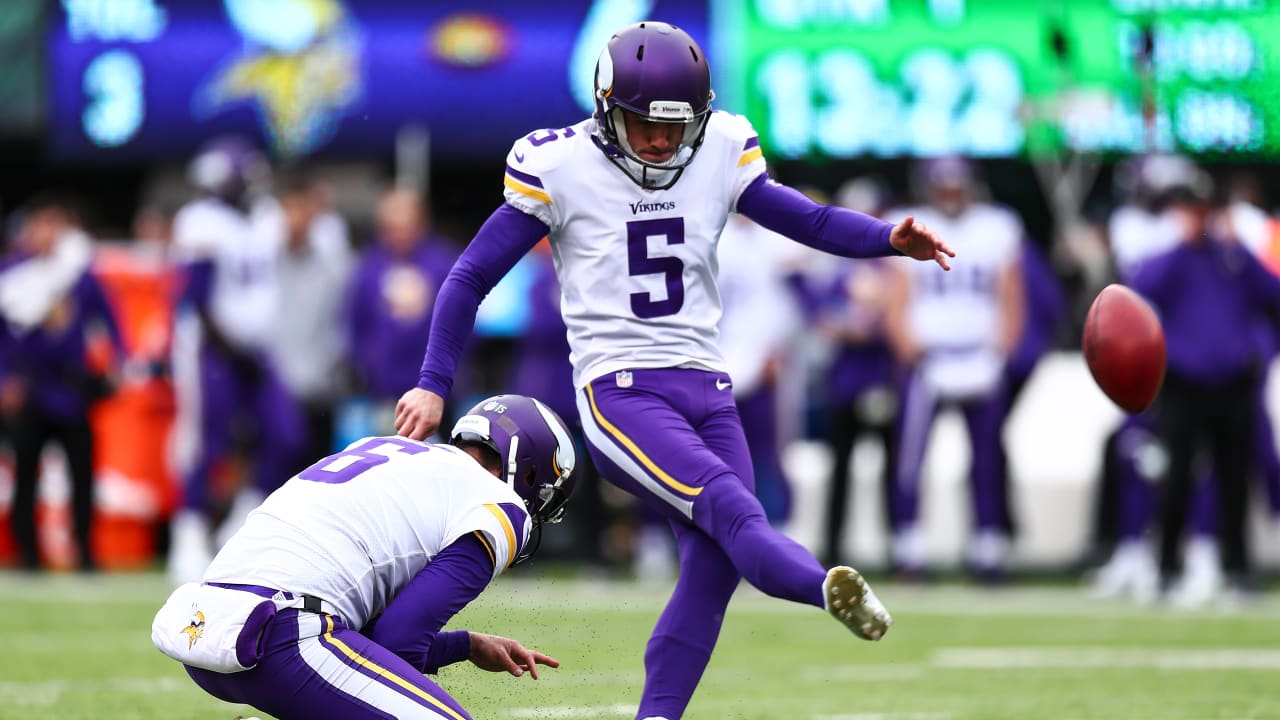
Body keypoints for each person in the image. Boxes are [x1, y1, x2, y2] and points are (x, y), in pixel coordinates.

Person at [395, 22, 953, 720]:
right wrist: (433, 381)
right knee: (733, 509)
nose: (661, 141)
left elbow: (803, 222)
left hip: (707, 385)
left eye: (675, 126)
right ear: (605, 106)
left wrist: (886, 239)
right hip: (621, 390)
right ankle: (826, 588)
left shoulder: (721, 145)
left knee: (716, 566)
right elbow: (470, 275)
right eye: (643, 125)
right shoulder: (558, 164)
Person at [152, 394, 577, 720]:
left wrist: (464, 646)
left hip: (206, 626)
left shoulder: (389, 450)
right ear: (530, 473)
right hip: (282, 637)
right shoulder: (501, 503)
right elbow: (398, 640)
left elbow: (368, 634)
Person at [1129, 171, 1280, 604]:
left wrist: (1256, 349)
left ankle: (1239, 569)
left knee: (1236, 477)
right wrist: (1182, 245)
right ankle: (1165, 567)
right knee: (1176, 475)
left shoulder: (1233, 256)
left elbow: (1272, 293)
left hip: (1233, 380)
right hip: (1185, 380)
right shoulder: (1173, 258)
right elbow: (1138, 292)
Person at [166, 137, 307, 584]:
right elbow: (197, 301)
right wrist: (232, 351)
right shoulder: (200, 221)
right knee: (208, 445)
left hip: (256, 349)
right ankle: (187, 538)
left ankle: (238, 528)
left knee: (287, 434)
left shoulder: (265, 217)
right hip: (213, 350)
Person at [882, 157, 1025, 581]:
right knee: (911, 459)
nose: (950, 195)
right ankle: (910, 547)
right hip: (929, 357)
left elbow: (1011, 294)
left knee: (987, 457)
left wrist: (1002, 349)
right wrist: (906, 345)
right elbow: (897, 293)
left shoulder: (998, 226)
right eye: (942, 187)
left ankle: (988, 547)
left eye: (956, 187)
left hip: (980, 353)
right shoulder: (909, 223)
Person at [0, 194, 125, 571]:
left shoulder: (78, 275)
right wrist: (5, 379)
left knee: (82, 474)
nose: (48, 234)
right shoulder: (13, 274)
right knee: (26, 473)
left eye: (56, 225)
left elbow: (110, 318)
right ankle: (29, 553)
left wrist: (118, 359)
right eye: (42, 224)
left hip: (71, 389)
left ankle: (85, 550)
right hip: (31, 388)